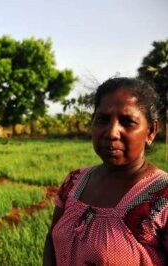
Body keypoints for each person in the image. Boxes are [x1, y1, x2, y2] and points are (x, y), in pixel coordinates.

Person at [43, 77, 167, 265]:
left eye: (127, 122)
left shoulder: (162, 198)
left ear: (150, 131)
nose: (111, 133)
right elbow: (51, 241)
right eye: (103, 119)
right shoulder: (74, 182)